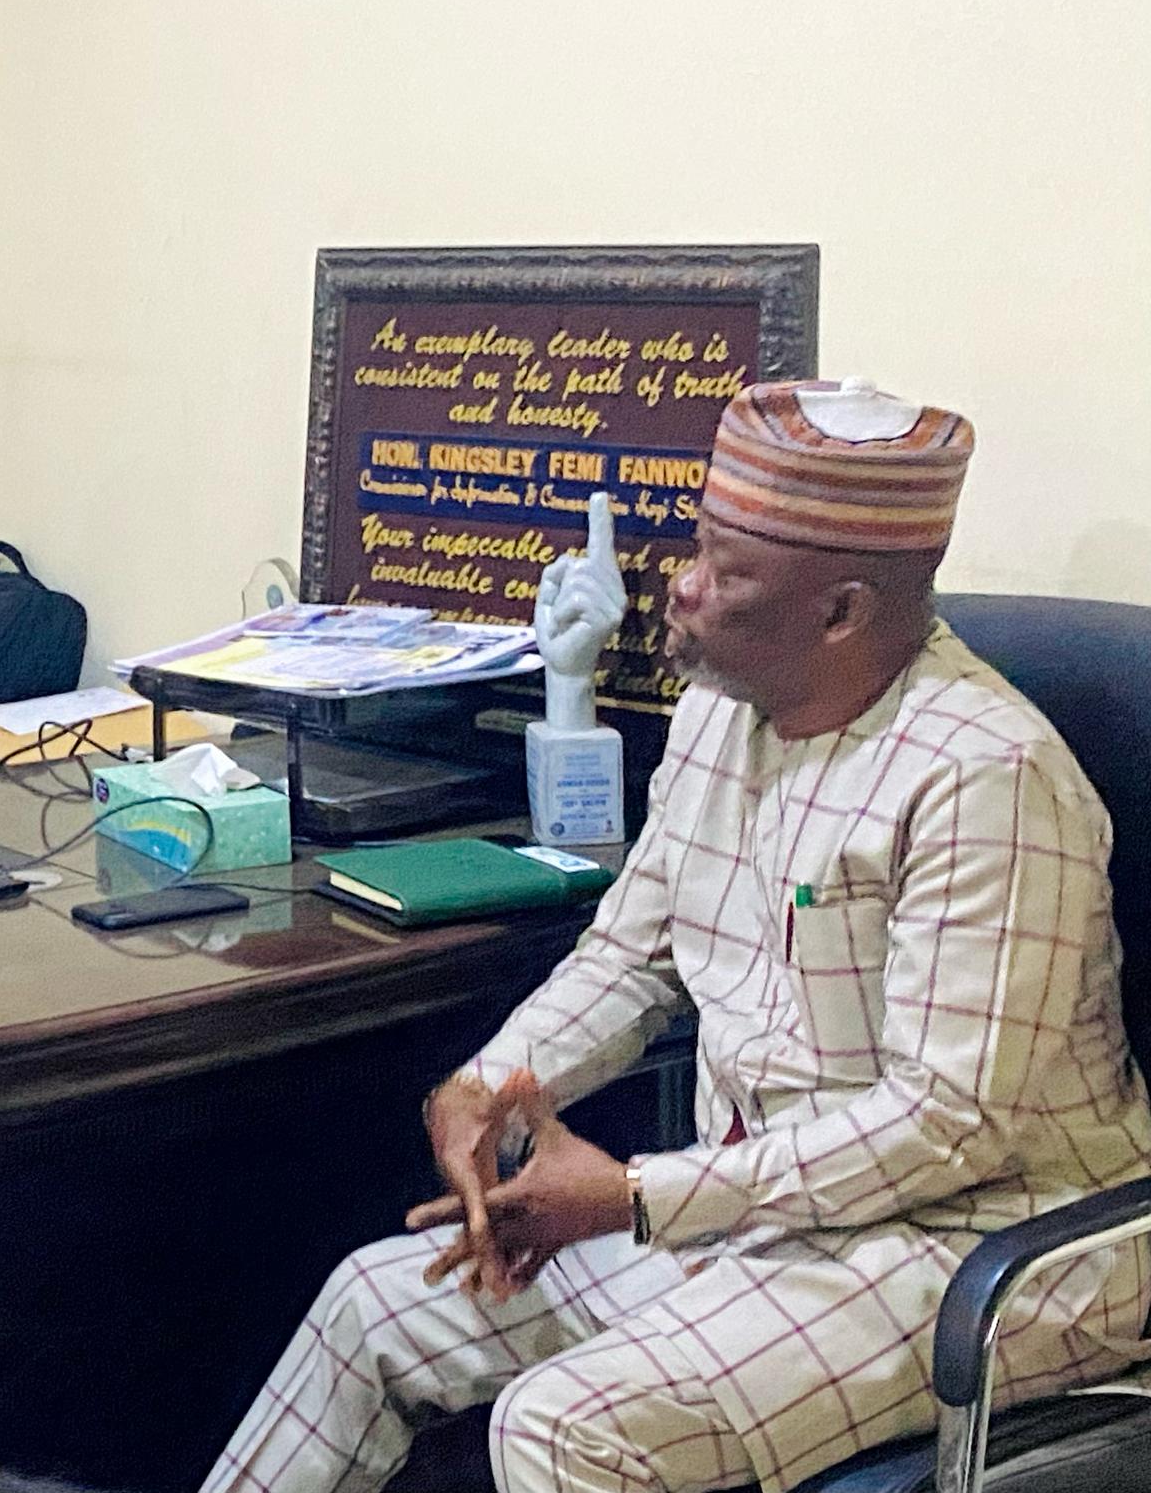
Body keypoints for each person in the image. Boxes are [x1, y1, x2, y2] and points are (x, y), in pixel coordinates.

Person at [208, 381, 1151, 1493]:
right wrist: (491, 1087)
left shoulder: (985, 777)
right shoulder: (717, 711)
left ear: (841, 612)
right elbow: (630, 954)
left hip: (976, 1247)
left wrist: (641, 1197)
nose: (682, 586)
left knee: (563, 1425)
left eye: (722, 569)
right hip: (769, 1219)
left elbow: (948, 1126)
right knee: (372, 1307)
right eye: (696, 548)